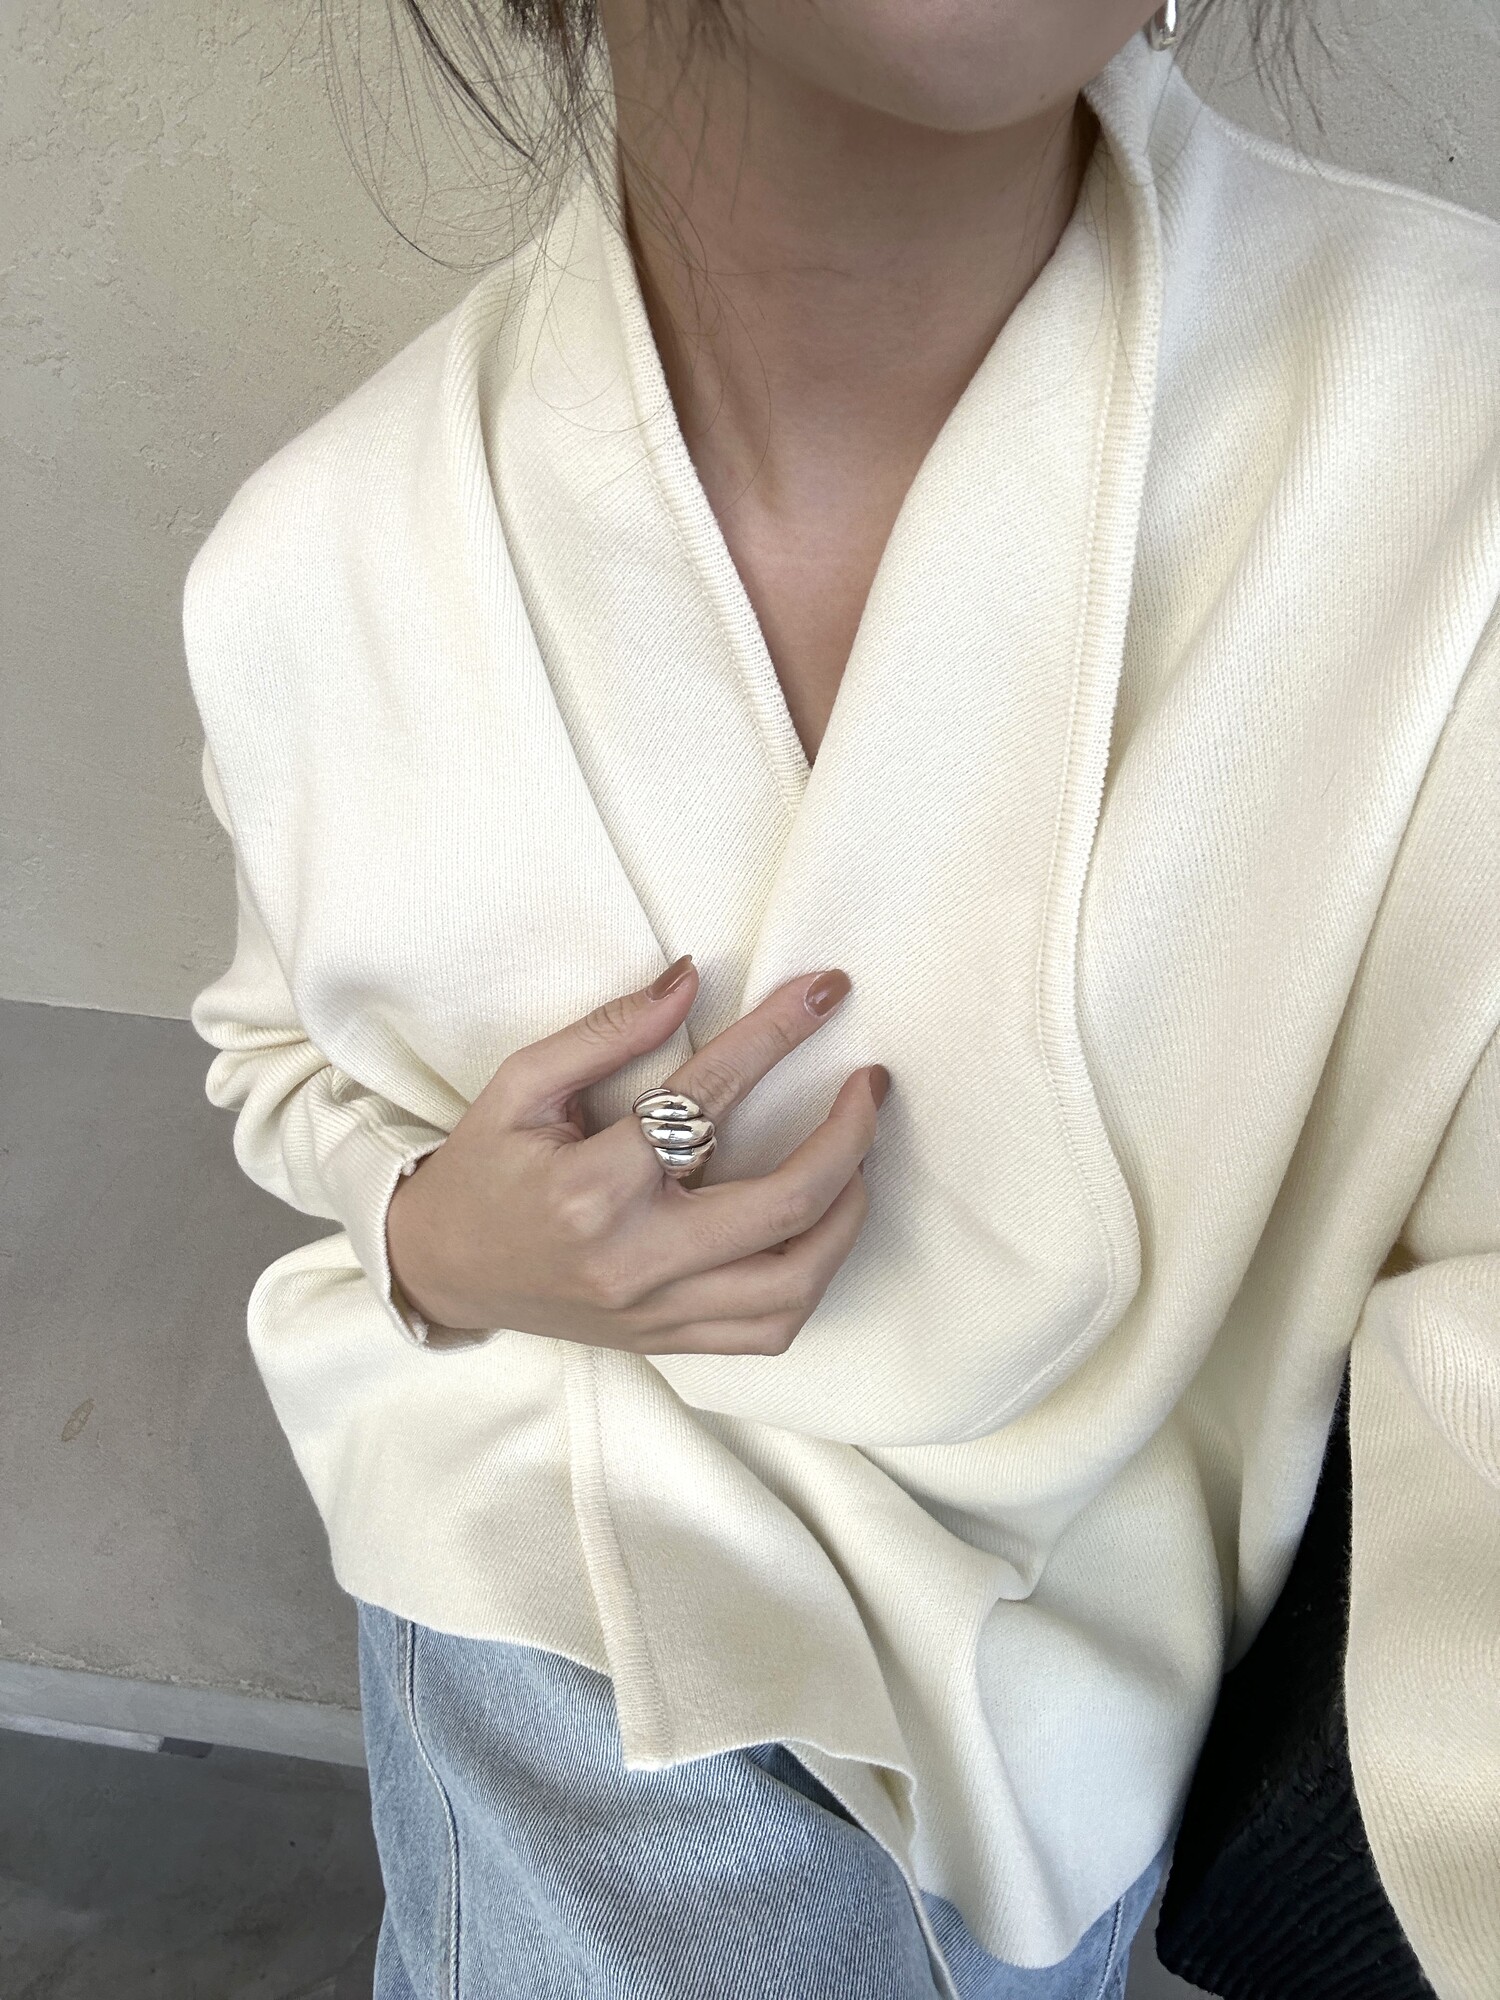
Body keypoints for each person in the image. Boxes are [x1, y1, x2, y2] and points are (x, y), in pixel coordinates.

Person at [183, 0, 1500, 1994]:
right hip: (532, 1678)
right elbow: (273, 1057)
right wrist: (435, 1235)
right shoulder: (322, 569)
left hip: (1072, 1753)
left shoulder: (1436, 440)